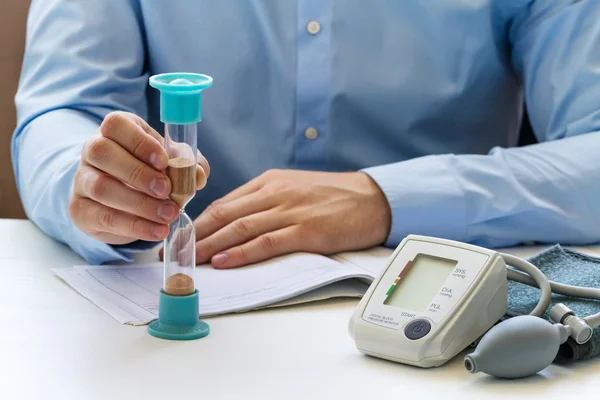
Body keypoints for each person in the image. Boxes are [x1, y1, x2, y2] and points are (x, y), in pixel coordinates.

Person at [12, 1, 600, 268]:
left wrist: (384, 199)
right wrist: (91, 184)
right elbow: (62, 109)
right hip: (175, 297)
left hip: (438, 309)